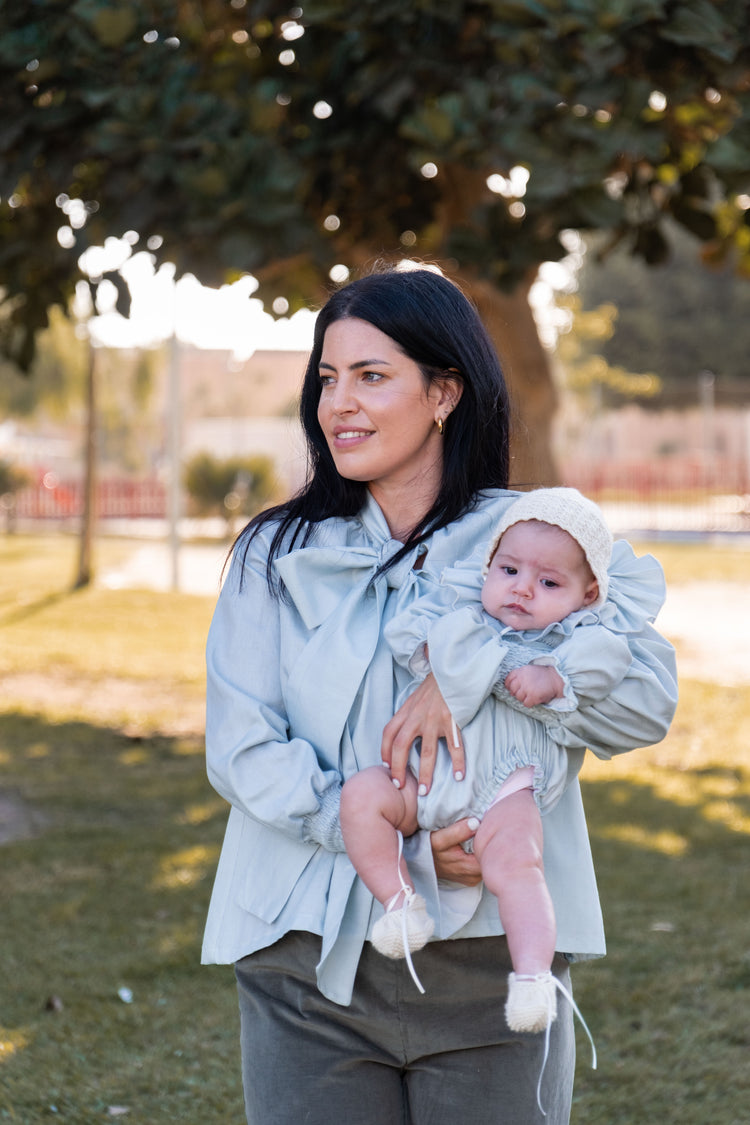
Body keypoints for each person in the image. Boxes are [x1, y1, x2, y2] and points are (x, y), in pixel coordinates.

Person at [201, 265, 678, 1125]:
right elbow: (241, 748)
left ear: (445, 391)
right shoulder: (272, 554)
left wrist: (471, 672)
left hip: (496, 965)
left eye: (371, 376)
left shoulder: (534, 540)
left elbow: (642, 701)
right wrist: (397, 836)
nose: (338, 402)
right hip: (303, 959)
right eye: (327, 378)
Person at [340, 487, 665, 1041]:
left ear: (587, 596)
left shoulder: (579, 634)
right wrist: (439, 659)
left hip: (505, 791)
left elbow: (609, 661)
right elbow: (409, 635)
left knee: (518, 865)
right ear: (489, 565)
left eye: (548, 583)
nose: (522, 589)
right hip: (422, 781)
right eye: (510, 569)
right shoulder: (460, 608)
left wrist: (555, 677)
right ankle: (399, 903)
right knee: (362, 798)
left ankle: (533, 976)